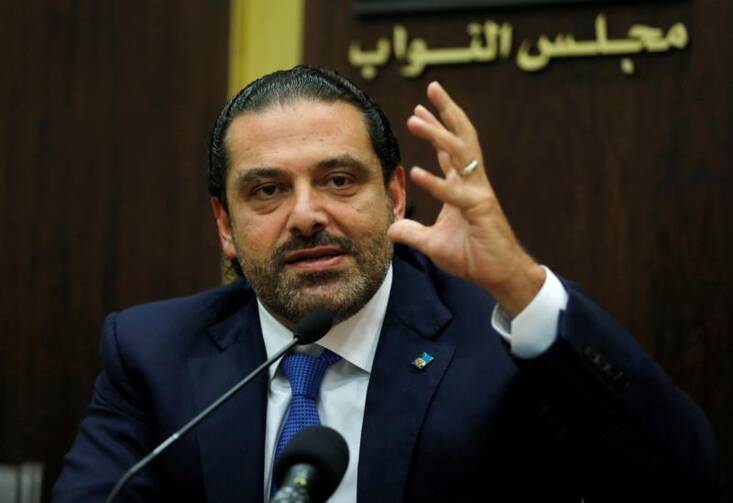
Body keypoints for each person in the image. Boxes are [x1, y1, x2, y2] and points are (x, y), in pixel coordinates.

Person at [54, 66, 720, 502]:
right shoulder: (152, 351)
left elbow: (682, 477)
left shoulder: (495, 344)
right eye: (267, 190)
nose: (308, 214)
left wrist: (517, 283)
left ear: (395, 194)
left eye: (339, 180)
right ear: (225, 225)